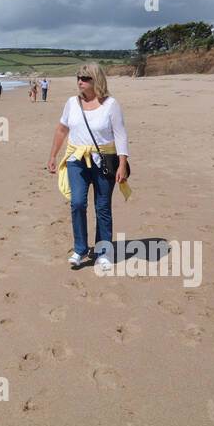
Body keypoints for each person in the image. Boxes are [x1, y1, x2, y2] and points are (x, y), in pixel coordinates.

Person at [45, 62, 130, 271]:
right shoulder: (72, 103)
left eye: (85, 78)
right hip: (77, 159)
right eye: (78, 78)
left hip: (104, 161)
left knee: (102, 207)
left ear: (96, 80)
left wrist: (122, 164)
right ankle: (80, 249)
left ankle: (103, 252)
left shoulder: (111, 105)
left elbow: (120, 135)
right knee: (77, 203)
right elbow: (62, 129)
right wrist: (53, 155)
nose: (80, 82)